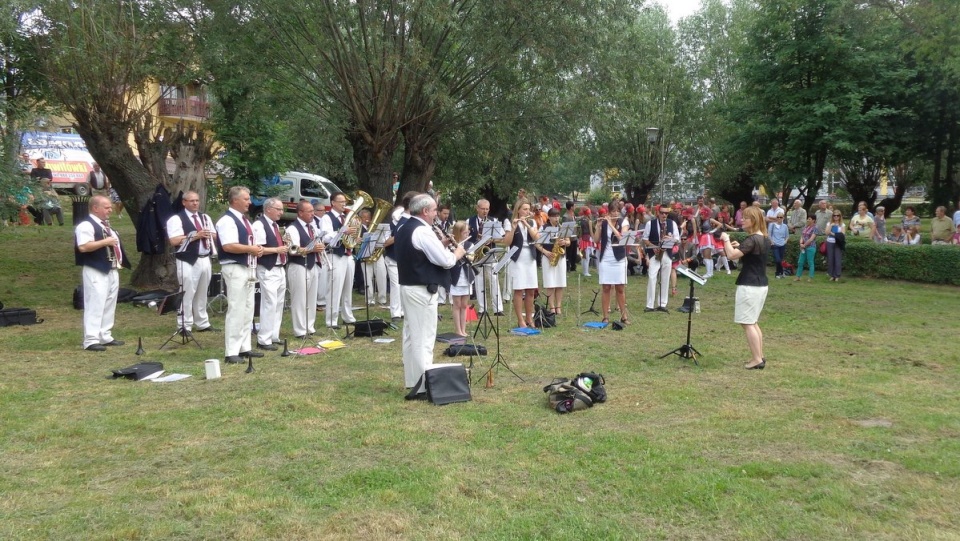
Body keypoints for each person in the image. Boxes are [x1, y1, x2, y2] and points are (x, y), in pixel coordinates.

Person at [395, 194, 464, 395]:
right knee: (423, 339)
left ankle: (414, 381)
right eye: (434, 210)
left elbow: (422, 254)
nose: (436, 213)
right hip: (421, 289)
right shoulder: (422, 231)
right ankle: (425, 385)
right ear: (425, 211)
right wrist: (458, 253)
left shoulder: (405, 226)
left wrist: (440, 244)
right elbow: (446, 261)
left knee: (411, 336)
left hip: (409, 286)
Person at [214, 186, 263, 364]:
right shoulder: (227, 221)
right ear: (235, 200)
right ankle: (231, 351)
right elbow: (228, 246)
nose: (250, 202)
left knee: (248, 308)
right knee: (236, 308)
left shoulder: (244, 220)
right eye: (246, 199)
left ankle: (245, 347)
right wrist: (251, 249)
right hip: (234, 267)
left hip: (247, 267)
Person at [75, 194, 130, 351]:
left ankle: (105, 335)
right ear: (95, 208)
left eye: (110, 207)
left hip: (111, 268)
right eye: (106, 207)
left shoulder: (106, 225)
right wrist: (106, 241)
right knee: (95, 304)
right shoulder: (86, 225)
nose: (110, 210)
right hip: (96, 269)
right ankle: (91, 340)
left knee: (109, 303)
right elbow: (83, 247)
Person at [719, 206, 771, 370]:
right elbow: (750, 253)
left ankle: (757, 359)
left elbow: (732, 255)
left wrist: (726, 240)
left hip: (750, 285)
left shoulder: (752, 239)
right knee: (753, 322)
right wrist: (740, 246)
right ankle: (759, 356)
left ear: (753, 220)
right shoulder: (763, 238)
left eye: (746, 218)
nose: (742, 220)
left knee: (747, 323)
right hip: (760, 284)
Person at [165, 190, 216, 333]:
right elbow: (174, 240)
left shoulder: (205, 217)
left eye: (197, 200)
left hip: (205, 258)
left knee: (202, 291)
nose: (195, 203)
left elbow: (214, 235)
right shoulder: (176, 219)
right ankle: (184, 325)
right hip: (187, 259)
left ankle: (202, 322)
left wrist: (210, 234)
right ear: (184, 202)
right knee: (187, 291)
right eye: (192, 201)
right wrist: (195, 236)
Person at [251, 198, 289, 350]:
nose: (281, 212)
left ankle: (274, 335)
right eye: (278, 209)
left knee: (279, 303)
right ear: (268, 209)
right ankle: (263, 339)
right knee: (269, 303)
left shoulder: (274, 225)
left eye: (281, 209)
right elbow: (257, 249)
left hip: (279, 267)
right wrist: (276, 250)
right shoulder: (259, 225)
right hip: (268, 268)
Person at [319, 192, 358, 328]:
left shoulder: (345, 217)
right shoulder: (326, 218)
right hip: (335, 255)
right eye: (341, 201)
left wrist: (354, 239)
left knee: (348, 288)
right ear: (333, 203)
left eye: (344, 202)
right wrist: (342, 232)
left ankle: (348, 316)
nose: (344, 204)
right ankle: (331, 320)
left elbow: (349, 237)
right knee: (334, 289)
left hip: (347, 255)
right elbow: (326, 238)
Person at [287, 200, 325, 337]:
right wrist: (312, 248)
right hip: (298, 266)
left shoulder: (312, 228)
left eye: (313, 211)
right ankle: (300, 330)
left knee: (311, 299)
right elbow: (293, 249)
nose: (312, 214)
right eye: (309, 212)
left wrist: (319, 247)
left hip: (312, 264)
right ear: (300, 213)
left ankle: (310, 327)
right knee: (299, 299)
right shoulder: (293, 228)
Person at [503, 198, 540, 328]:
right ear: (518, 210)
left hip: (530, 257)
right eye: (524, 209)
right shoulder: (509, 222)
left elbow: (536, 238)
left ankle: (529, 318)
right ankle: (520, 320)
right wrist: (513, 228)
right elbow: (507, 242)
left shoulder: (532, 222)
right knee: (519, 290)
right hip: (517, 258)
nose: (527, 211)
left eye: (528, 209)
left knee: (530, 290)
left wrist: (528, 225)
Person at [593, 201, 629, 324]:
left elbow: (621, 238)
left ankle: (624, 316)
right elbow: (596, 240)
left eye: (617, 211)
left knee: (620, 288)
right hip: (606, 258)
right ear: (608, 212)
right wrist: (598, 226)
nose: (615, 213)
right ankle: (605, 316)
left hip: (619, 258)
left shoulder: (623, 222)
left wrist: (611, 224)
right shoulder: (603, 223)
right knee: (606, 287)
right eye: (613, 211)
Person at [383, 192, 417, 322]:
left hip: (404, 258)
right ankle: (395, 313)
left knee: (403, 285)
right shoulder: (401, 220)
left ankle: (403, 310)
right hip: (393, 257)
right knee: (396, 285)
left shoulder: (408, 219)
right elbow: (389, 240)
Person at [467, 198, 503, 315]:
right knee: (479, 280)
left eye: (487, 209)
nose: (485, 211)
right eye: (482, 209)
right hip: (477, 254)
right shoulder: (469, 221)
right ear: (477, 208)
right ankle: (483, 308)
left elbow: (501, 237)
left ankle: (498, 308)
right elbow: (466, 237)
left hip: (490, 252)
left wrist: (492, 239)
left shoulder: (494, 221)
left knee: (493, 279)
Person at [642, 205, 680, 313]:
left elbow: (677, 239)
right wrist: (654, 247)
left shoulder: (672, 224)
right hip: (655, 254)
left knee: (665, 278)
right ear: (658, 213)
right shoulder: (650, 223)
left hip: (667, 253)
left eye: (666, 213)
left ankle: (662, 304)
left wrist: (671, 239)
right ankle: (650, 305)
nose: (664, 215)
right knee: (652, 277)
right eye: (662, 213)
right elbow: (645, 239)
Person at [538, 208, 569, 315]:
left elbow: (569, 242)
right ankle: (551, 306)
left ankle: (558, 306)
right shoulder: (544, 228)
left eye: (558, 216)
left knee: (560, 282)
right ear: (549, 217)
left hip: (560, 256)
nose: (556, 218)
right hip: (548, 257)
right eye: (554, 216)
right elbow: (537, 244)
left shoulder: (562, 228)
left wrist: (564, 241)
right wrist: (546, 252)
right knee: (550, 283)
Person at [448, 221, 475, 337]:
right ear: (458, 233)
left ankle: (463, 330)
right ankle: (458, 330)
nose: (467, 234)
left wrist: (468, 255)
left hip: (467, 276)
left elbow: (472, 257)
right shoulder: (451, 245)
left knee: (464, 304)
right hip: (456, 277)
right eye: (465, 232)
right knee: (457, 304)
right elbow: (450, 260)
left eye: (468, 232)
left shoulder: (469, 245)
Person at [794, 215, 818, 281]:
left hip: (811, 247)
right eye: (807, 219)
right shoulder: (806, 227)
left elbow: (811, 239)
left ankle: (810, 277)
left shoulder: (815, 228)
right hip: (803, 248)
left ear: (813, 220)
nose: (808, 220)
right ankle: (798, 276)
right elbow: (802, 236)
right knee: (800, 262)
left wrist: (804, 245)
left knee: (810, 262)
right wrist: (801, 243)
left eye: (809, 219)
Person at [825, 210, 846, 281]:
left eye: (838, 216)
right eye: (834, 215)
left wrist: (833, 234)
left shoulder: (842, 224)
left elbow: (842, 235)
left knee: (837, 259)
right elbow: (827, 232)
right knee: (830, 259)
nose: (836, 217)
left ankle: (837, 275)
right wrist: (831, 226)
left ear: (840, 216)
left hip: (838, 243)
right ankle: (832, 275)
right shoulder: (829, 223)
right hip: (830, 242)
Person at [769, 214, 789, 278]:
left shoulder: (785, 226)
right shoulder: (772, 225)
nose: (779, 218)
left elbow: (787, 236)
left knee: (780, 260)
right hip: (775, 244)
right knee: (777, 260)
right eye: (778, 217)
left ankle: (779, 273)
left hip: (782, 244)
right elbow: (769, 234)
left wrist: (785, 242)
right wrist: (772, 242)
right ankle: (779, 272)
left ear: (783, 218)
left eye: (781, 217)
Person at [578, 207, 595, 277]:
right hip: (587, 239)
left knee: (583, 256)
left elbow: (579, 230)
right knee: (587, 257)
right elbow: (591, 232)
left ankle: (584, 271)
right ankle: (586, 272)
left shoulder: (580, 220)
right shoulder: (589, 221)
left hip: (582, 239)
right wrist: (594, 239)